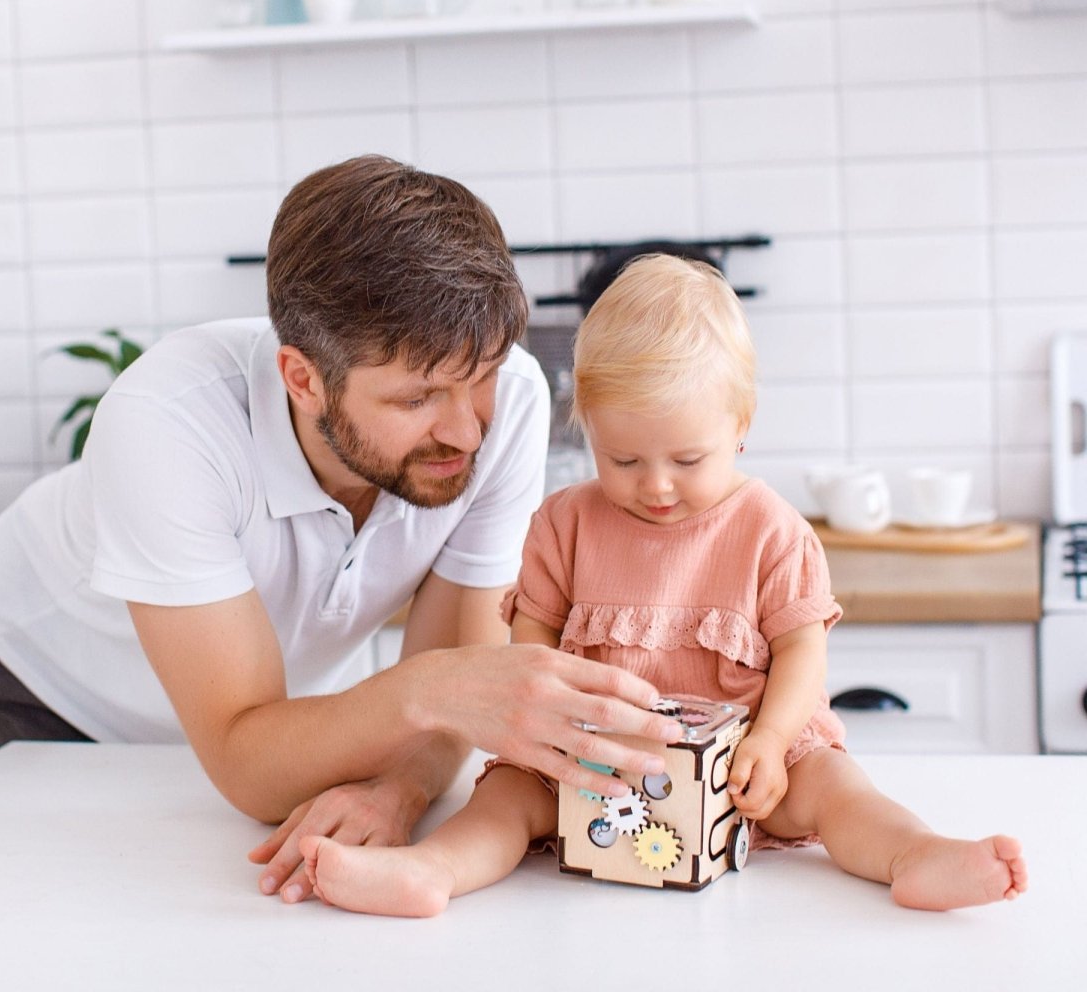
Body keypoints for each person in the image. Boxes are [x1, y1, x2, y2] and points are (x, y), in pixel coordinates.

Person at [0, 156, 683, 904]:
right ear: (302, 379)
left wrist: (399, 785)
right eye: (418, 398)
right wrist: (430, 689)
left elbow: (459, 689)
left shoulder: (513, 402)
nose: (467, 431)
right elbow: (250, 759)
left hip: (268, 716)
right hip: (56, 680)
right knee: (63, 915)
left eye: (482, 376)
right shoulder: (167, 423)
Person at [298, 254, 1029, 916]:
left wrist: (772, 740)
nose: (655, 486)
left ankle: (915, 855)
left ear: (740, 425)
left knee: (839, 791)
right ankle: (431, 871)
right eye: (622, 460)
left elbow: (803, 652)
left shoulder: (772, 529)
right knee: (506, 800)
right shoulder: (564, 524)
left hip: (751, 764)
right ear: (587, 429)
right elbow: (533, 644)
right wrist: (552, 734)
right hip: (596, 767)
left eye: (686, 460)